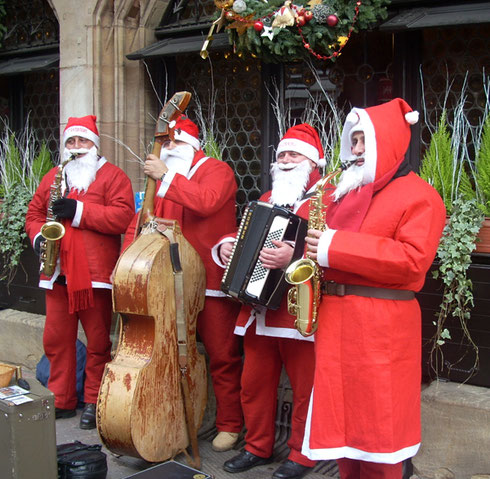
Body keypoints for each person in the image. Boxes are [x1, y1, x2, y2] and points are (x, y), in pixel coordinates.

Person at [301, 98, 447, 478]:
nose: (358, 150)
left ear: (390, 142)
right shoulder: (348, 192)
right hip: (338, 326)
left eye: (366, 140)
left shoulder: (420, 196)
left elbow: (412, 260)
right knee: (344, 434)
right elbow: (319, 244)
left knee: (381, 434)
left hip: (382, 328)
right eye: (354, 141)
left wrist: (334, 246)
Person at [122, 114, 244, 452]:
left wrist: (166, 176)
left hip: (209, 281)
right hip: (166, 279)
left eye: (175, 142)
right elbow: (142, 219)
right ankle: (172, 417)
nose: (169, 149)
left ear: (192, 144)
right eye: (165, 144)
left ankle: (230, 424)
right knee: (170, 354)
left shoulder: (217, 170)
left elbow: (206, 201)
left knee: (222, 355)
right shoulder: (163, 181)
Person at [214, 124, 323, 479]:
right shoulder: (265, 198)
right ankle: (257, 446)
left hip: (299, 312)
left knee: (306, 388)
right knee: (254, 383)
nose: (287, 159)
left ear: (312, 162)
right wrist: (226, 246)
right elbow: (245, 232)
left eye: (295, 154)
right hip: (259, 311)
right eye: (282, 155)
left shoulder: (328, 199)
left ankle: (301, 455)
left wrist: (293, 258)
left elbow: (336, 248)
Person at [25, 115, 135, 430]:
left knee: (99, 340)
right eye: (71, 142)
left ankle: (92, 400)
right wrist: (38, 238)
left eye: (82, 141)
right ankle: (61, 399)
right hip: (57, 272)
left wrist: (79, 212)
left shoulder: (114, 176)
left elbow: (123, 216)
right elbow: (34, 212)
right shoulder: (54, 176)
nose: (76, 147)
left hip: (94, 275)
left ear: (94, 144)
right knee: (57, 339)